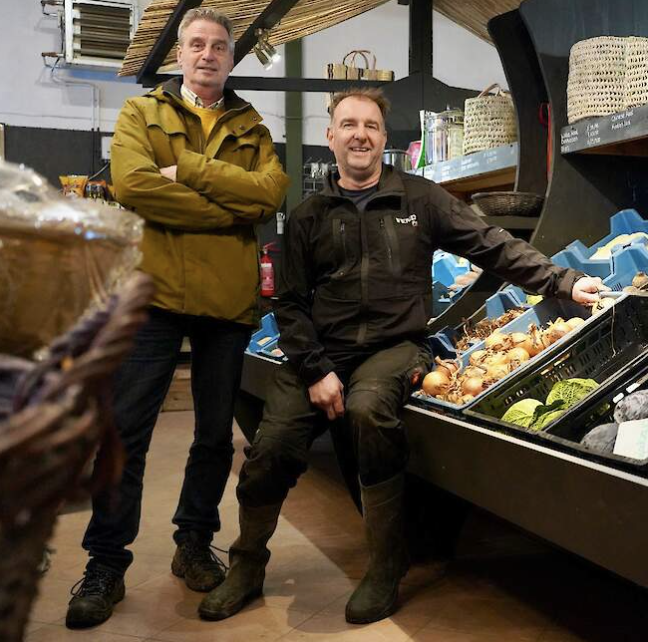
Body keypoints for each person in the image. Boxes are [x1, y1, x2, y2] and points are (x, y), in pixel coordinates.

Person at [198, 87, 606, 625]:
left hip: (393, 348)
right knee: (272, 445)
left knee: (370, 412)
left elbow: (491, 244)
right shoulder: (309, 215)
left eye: (370, 126)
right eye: (349, 125)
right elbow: (289, 304)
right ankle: (247, 566)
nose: (360, 135)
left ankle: (386, 565)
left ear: (383, 137)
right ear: (331, 137)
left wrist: (564, 280)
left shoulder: (421, 200)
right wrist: (316, 370)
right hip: (321, 352)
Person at [66, 8, 289, 629]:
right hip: (154, 293)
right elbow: (135, 185)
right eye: (197, 44)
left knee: (214, 436)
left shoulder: (252, 126)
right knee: (125, 433)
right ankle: (105, 562)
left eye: (218, 46)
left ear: (230, 57)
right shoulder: (142, 113)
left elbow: (269, 195)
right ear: (181, 53)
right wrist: (226, 211)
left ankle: (193, 542)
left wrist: (187, 170)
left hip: (226, 301)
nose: (207, 54)